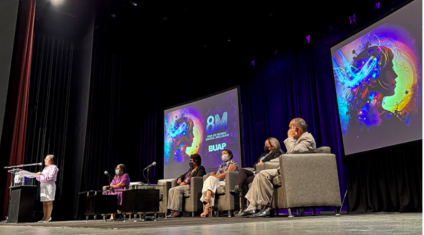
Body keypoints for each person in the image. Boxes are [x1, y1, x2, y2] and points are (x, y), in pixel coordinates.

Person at [239, 118, 316, 217]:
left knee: (262, 174)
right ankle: (252, 207)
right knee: (260, 175)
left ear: (296, 129)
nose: (288, 130)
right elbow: (288, 156)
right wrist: (270, 162)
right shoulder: (299, 140)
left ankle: (268, 208)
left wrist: (290, 137)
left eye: (290, 128)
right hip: (287, 169)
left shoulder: (307, 139)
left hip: (295, 172)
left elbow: (292, 152)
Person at [230, 137, 284, 215]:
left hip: (265, 171)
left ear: (272, 145)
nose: (265, 146)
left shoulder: (276, 152)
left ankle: (249, 207)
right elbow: (255, 165)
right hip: (257, 171)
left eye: (266, 145)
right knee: (242, 173)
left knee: (248, 180)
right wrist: (259, 164)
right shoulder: (264, 154)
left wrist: (263, 163)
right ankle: (243, 202)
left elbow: (276, 163)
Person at [199, 149, 238, 218]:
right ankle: (208, 200)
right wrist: (214, 175)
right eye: (222, 154)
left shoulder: (232, 162)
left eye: (224, 153)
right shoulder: (221, 165)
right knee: (210, 179)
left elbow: (227, 173)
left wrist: (216, 176)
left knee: (211, 180)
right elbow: (216, 176)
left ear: (229, 155)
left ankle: (207, 207)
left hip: (227, 182)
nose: (223, 155)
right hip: (219, 182)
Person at [35, 154, 59, 223]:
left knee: (49, 201)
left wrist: (42, 174)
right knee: (44, 202)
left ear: (51, 160)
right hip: (43, 185)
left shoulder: (54, 167)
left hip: (49, 185)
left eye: (47, 159)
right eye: (45, 159)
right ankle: (44, 217)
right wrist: (38, 175)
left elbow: (50, 176)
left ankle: (48, 217)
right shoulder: (45, 168)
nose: (45, 160)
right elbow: (40, 179)